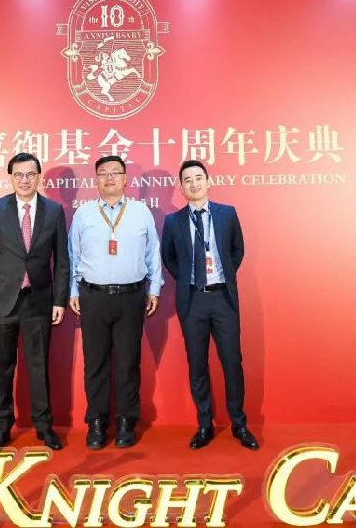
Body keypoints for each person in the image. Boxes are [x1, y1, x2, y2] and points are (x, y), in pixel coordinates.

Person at [0, 152, 69, 449]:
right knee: (2, 367)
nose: (24, 180)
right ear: (11, 178)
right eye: (18, 175)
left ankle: (44, 426)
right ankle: (1, 426)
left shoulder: (54, 210)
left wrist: (59, 300)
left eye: (30, 174)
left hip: (38, 301)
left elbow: (62, 260)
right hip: (1, 301)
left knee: (38, 367)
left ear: (38, 177)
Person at [161, 159, 259, 450]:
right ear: (181, 187)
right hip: (192, 300)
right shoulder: (173, 221)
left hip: (223, 299)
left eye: (198, 178)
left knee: (232, 362)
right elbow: (169, 258)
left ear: (208, 181)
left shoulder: (227, 214)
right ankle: (204, 424)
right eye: (187, 180)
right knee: (197, 364)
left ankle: (239, 423)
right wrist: (188, 279)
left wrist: (222, 276)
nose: (194, 184)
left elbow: (237, 250)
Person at [68, 155, 163, 448]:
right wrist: (73, 291)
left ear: (125, 179)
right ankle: (96, 423)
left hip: (131, 297)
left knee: (127, 363)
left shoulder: (140, 212)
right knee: (95, 363)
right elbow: (73, 255)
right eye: (103, 173)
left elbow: (153, 252)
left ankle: (125, 422)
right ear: (96, 179)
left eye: (115, 172)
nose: (109, 177)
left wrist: (154, 288)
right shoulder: (84, 214)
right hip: (93, 296)